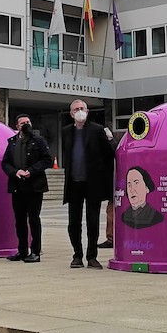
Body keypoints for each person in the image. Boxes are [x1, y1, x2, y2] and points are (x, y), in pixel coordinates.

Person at [61, 99, 115, 269]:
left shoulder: (97, 130)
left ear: (87, 111)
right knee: (73, 223)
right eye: (76, 109)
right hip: (74, 183)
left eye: (82, 108)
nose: (80, 111)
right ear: (71, 114)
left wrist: (111, 139)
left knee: (92, 221)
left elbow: (110, 153)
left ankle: (92, 256)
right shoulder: (66, 131)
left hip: (93, 183)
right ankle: (77, 255)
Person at [1, 114, 52, 263]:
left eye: (28, 122)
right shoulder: (12, 142)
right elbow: (5, 163)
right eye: (22, 123)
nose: (25, 125)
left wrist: (31, 171)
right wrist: (15, 172)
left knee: (34, 219)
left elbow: (47, 160)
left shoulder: (39, 141)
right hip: (17, 186)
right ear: (17, 126)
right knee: (19, 220)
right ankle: (22, 251)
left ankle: (35, 251)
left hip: (34, 186)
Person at [98, 127, 116, 249]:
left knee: (111, 211)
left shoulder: (111, 147)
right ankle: (111, 237)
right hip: (113, 185)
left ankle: (111, 238)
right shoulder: (116, 145)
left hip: (114, 186)